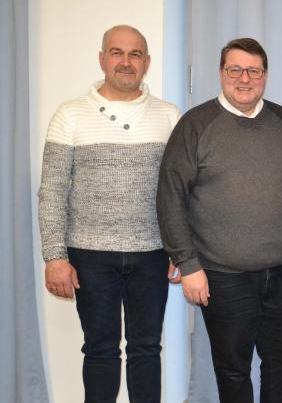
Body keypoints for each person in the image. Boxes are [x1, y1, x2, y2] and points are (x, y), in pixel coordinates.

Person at [156, 38, 282, 403]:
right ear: (221, 73)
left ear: (265, 76)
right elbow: (171, 196)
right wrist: (188, 263)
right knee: (233, 371)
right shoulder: (195, 125)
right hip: (222, 277)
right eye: (235, 70)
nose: (244, 79)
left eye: (253, 70)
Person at [38, 24, 180, 403]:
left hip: (153, 254)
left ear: (147, 63)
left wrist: (182, 251)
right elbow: (52, 190)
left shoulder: (169, 117)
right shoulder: (69, 115)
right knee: (100, 350)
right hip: (89, 255)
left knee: (146, 350)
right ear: (102, 58)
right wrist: (55, 257)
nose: (126, 62)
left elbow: (182, 192)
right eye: (117, 52)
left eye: (135, 54)